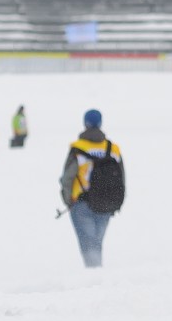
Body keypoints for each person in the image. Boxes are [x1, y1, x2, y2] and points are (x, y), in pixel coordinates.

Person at [60, 109, 124, 267]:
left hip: (81, 203)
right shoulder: (113, 149)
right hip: (107, 203)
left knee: (88, 244)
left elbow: (67, 178)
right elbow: (121, 177)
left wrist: (68, 199)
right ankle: (97, 275)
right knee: (97, 243)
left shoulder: (78, 148)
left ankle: (94, 278)